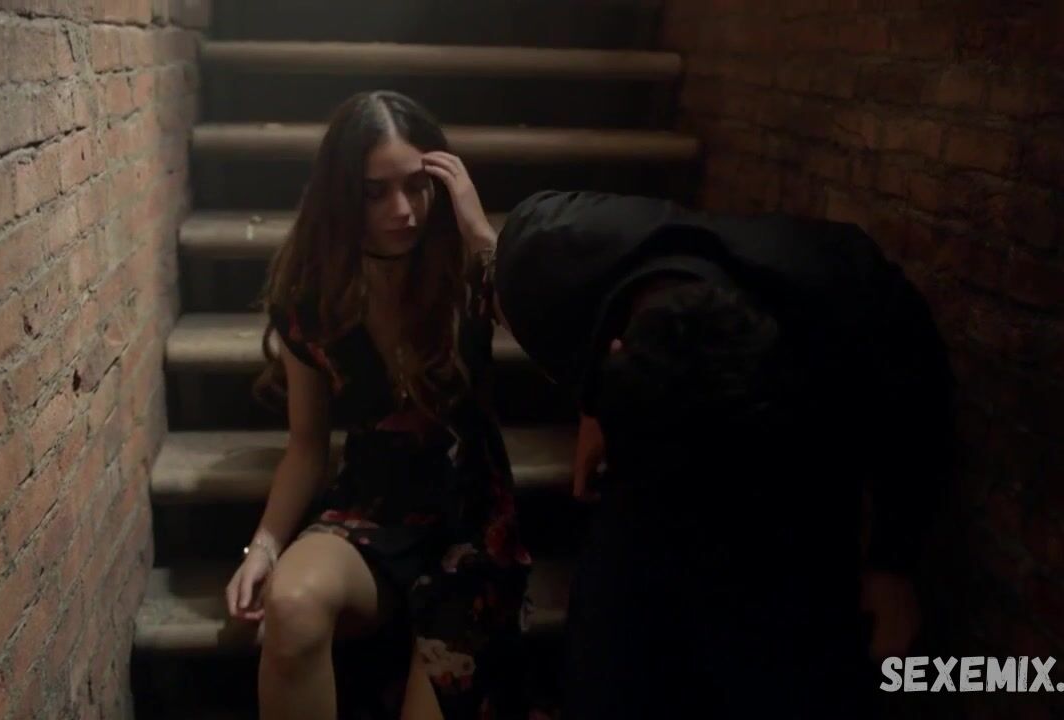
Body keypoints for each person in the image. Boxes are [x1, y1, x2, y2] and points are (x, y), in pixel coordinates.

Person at [490, 189, 956, 718]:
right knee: (612, 653)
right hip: (650, 478)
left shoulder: (850, 297)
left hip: (790, 493)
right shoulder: (543, 250)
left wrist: (893, 564)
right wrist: (594, 405)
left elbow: (920, 403)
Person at [225, 90, 533, 720]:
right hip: (372, 509)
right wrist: (264, 546)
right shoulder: (311, 296)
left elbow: (543, 334)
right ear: (342, 197)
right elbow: (307, 445)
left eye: (417, 186)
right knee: (291, 604)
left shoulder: (467, 267)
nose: (403, 210)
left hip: (470, 525)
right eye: (375, 192)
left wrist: (482, 235)